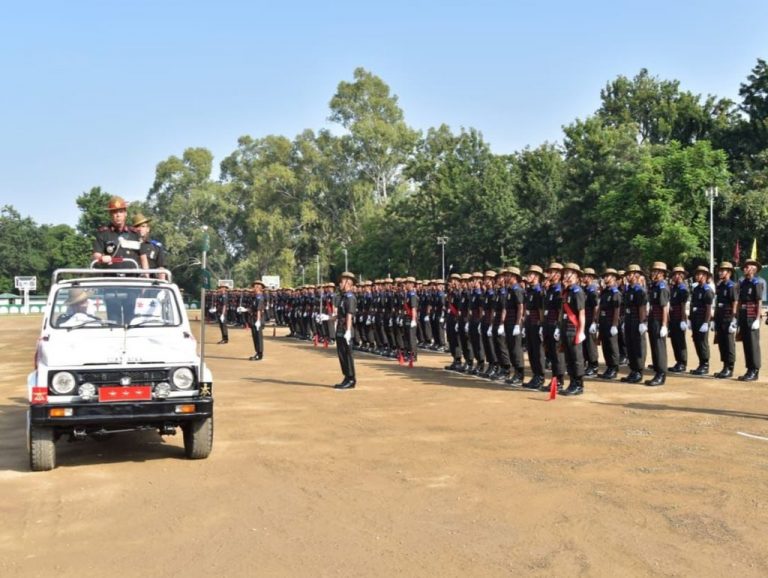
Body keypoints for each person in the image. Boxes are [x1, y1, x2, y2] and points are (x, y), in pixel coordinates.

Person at [92, 196, 147, 324]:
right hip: (111, 282)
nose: (117, 215)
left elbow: (143, 258)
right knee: (113, 320)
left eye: (120, 212)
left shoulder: (134, 234)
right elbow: (96, 254)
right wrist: (101, 258)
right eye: (114, 212)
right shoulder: (103, 233)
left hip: (132, 282)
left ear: (125, 213)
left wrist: (146, 278)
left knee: (131, 320)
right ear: (110, 215)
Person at [560, 263, 586, 395]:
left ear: (575, 275)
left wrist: (581, 331)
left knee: (576, 357)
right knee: (569, 357)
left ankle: (579, 385)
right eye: (564, 273)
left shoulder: (577, 291)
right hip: (565, 327)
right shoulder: (567, 291)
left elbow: (581, 313)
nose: (565, 275)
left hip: (573, 328)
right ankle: (572, 382)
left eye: (568, 273)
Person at [621, 264, 647, 384]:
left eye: (630, 274)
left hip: (637, 320)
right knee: (630, 345)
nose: (628, 276)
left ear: (636, 275)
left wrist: (642, 322)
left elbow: (641, 307)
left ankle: (639, 371)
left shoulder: (639, 290)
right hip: (629, 319)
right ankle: (633, 369)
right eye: (627, 274)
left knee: (638, 346)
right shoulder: (628, 289)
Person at [737, 258, 762, 381]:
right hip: (743, 315)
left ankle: (755, 370)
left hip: (752, 316)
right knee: (746, 344)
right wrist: (737, 318)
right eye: (744, 267)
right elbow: (740, 301)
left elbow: (759, 302)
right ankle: (749, 369)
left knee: (753, 344)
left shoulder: (757, 283)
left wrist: (757, 319)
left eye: (747, 267)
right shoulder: (743, 283)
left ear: (753, 269)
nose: (745, 269)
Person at [645, 262, 670, 386]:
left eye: (656, 272)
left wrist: (664, 325)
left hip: (659, 321)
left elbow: (664, 307)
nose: (653, 273)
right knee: (654, 346)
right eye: (653, 271)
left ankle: (661, 374)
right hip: (653, 319)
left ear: (662, 274)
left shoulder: (662, 287)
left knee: (659, 348)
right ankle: (657, 371)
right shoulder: (654, 286)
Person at [713, 262, 738, 379]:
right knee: (722, 343)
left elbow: (735, 303)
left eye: (723, 270)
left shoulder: (731, 286)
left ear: (729, 272)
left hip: (728, 318)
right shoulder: (720, 285)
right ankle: (725, 366)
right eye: (720, 270)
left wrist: (733, 320)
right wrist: (714, 319)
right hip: (720, 317)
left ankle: (730, 368)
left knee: (729, 343)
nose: (720, 272)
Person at [689, 266, 714, 376]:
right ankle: (701, 363)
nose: (697, 276)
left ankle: (705, 365)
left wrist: (706, 322)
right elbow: (692, 304)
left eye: (699, 274)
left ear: (705, 276)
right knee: (696, 340)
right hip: (695, 319)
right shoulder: (696, 289)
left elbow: (708, 308)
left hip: (702, 319)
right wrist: (690, 319)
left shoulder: (707, 290)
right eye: (696, 274)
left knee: (703, 342)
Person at [597, 268, 621, 379]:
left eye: (608, 276)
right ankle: (609, 367)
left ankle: (614, 368)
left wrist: (614, 325)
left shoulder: (615, 293)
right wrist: (597, 321)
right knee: (605, 345)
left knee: (612, 346)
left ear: (614, 278)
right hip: (603, 321)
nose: (605, 278)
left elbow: (617, 310)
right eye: (605, 276)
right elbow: (600, 307)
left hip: (611, 322)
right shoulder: (605, 292)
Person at [335, 272, 357, 389]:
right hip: (340, 328)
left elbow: (349, 315)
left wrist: (348, 331)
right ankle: (346, 376)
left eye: (342, 281)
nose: (340, 283)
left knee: (347, 355)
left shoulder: (350, 297)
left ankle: (351, 378)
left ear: (348, 283)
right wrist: (327, 317)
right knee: (341, 355)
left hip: (345, 329)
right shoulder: (343, 297)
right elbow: (340, 315)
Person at [667, 266, 689, 373]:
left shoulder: (683, 289)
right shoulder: (674, 288)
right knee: (674, 340)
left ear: (682, 276)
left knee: (680, 341)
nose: (676, 276)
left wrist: (683, 320)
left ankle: (682, 363)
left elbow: (683, 306)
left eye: (678, 274)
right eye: (674, 274)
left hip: (679, 317)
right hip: (673, 318)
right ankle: (678, 361)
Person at [133, 213, 167, 279]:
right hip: (132, 280)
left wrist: (162, 283)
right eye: (137, 226)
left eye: (143, 226)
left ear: (148, 229)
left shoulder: (156, 246)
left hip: (150, 282)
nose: (140, 229)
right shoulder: (129, 244)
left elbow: (161, 268)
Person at [249, 280, 266, 360]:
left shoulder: (260, 297)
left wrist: (258, 320)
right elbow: (253, 308)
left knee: (258, 337)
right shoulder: (255, 297)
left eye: (255, 286)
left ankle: (260, 354)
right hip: (254, 318)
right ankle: (257, 352)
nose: (253, 288)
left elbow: (259, 310)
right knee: (255, 336)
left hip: (257, 319)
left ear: (259, 288)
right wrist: (245, 309)